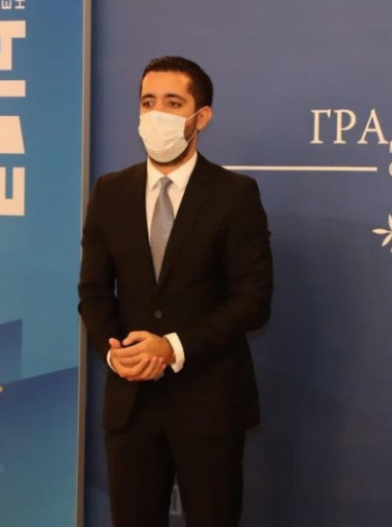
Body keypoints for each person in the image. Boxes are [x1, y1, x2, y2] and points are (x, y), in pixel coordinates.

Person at [78, 56, 273, 527]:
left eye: (172, 103)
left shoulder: (235, 194)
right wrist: (115, 353)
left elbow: (252, 301)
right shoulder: (110, 191)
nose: (157, 114)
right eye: (148, 103)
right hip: (131, 404)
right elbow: (94, 291)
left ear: (200, 117)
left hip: (209, 403)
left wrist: (172, 347)